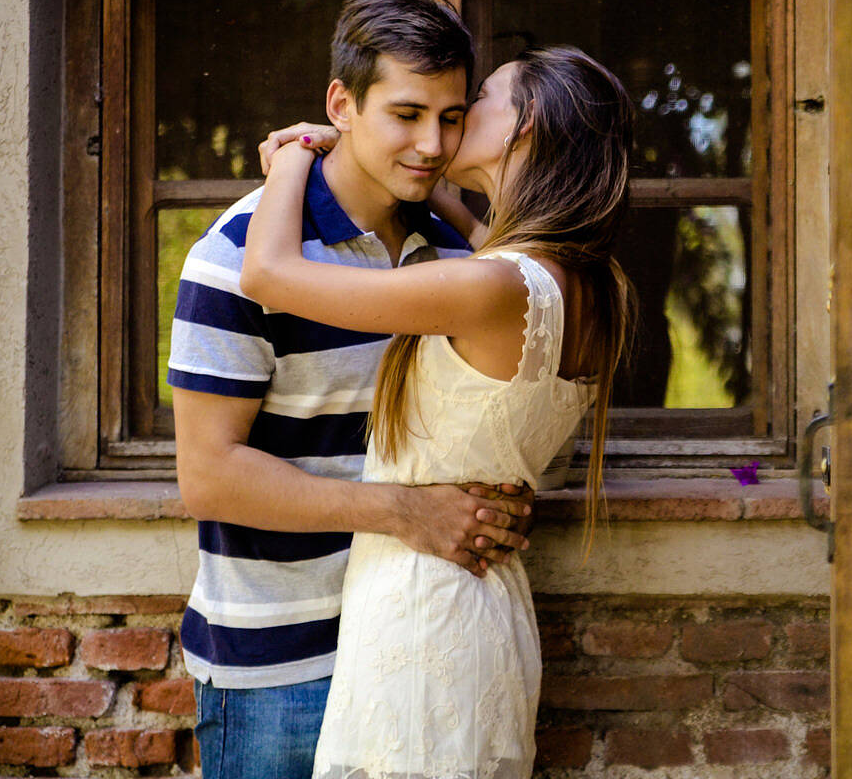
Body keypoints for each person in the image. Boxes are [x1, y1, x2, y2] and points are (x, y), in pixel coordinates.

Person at [169, 0, 539, 779]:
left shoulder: (458, 255)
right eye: (406, 114)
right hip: (283, 666)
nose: (432, 143)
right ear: (342, 103)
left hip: (419, 648)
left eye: (450, 117)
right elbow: (208, 476)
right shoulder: (236, 252)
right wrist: (408, 512)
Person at [242, 43, 635, 779]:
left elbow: (267, 274)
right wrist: (448, 198)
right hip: (487, 610)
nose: (449, 127)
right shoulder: (591, 284)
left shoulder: (487, 287)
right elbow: (506, 256)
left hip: (421, 617)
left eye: (476, 101)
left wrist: (294, 153)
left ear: (528, 123)